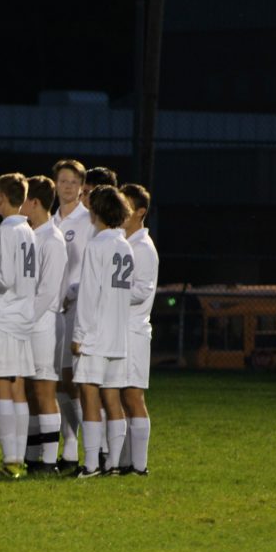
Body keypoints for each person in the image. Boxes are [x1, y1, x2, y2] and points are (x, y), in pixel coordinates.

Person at [71, 185, 134, 477]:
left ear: (96, 212)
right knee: (112, 399)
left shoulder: (97, 245)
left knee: (90, 396)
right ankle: (114, 464)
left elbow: (89, 295)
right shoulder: (126, 246)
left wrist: (79, 335)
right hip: (118, 336)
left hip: (95, 335)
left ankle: (91, 463)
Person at [0, 172, 37, 479]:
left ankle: (11, 460)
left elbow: (5, 280)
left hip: (3, 318)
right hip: (22, 318)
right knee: (17, 390)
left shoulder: (7, 232)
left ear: (1, 197)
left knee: (2, 387)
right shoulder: (28, 230)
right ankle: (18, 459)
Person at [21, 176, 67, 474]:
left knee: (44, 390)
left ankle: (49, 461)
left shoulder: (53, 239)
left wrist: (25, 321)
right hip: (30, 321)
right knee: (30, 391)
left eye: (23, 199)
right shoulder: (32, 234)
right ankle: (32, 456)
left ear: (35, 203)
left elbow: (48, 291)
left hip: (42, 322)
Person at [51, 159, 91, 473]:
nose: (67, 186)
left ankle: (78, 446)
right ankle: (68, 444)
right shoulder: (50, 222)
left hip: (78, 311)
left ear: (81, 186)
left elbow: (92, 266)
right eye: (62, 181)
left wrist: (74, 291)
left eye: (73, 182)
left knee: (75, 380)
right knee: (59, 382)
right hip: (53, 312)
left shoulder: (88, 221)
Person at [119, 183, 159, 475]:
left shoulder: (143, 248)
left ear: (140, 212)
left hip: (134, 331)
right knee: (120, 397)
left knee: (133, 397)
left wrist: (108, 293)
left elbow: (141, 292)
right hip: (119, 330)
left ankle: (140, 466)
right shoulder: (123, 242)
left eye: (127, 206)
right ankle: (123, 463)